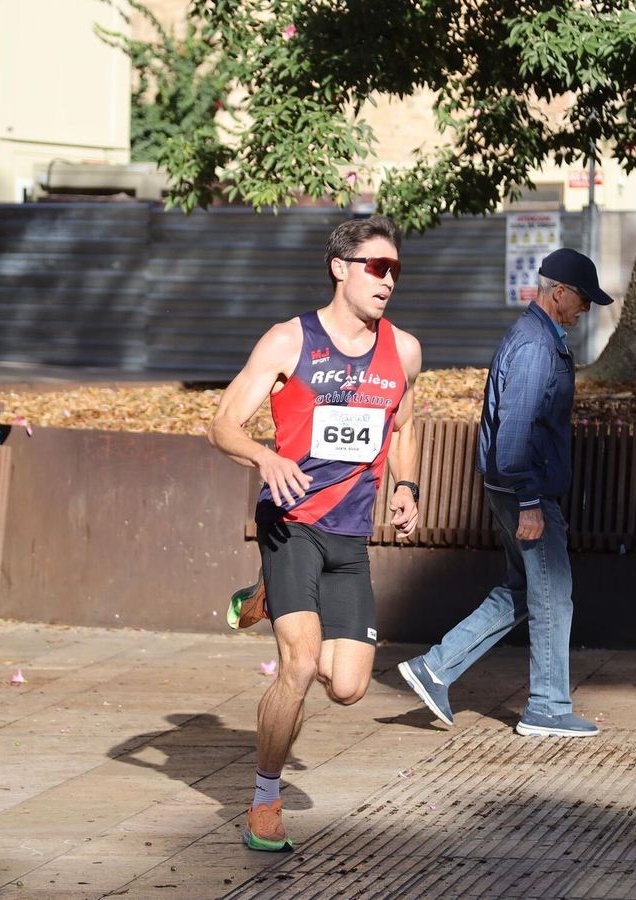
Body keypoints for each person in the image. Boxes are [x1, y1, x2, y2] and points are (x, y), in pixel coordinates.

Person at [209, 215, 422, 852]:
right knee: (299, 665)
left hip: (350, 535)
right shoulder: (288, 341)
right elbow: (221, 424)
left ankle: (267, 597)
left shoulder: (403, 352)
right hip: (291, 525)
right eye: (376, 268)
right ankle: (265, 801)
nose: (388, 281)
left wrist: (405, 489)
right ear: (341, 268)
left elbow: (404, 427)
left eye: (396, 271)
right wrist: (264, 457)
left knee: (350, 687)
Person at [397, 247, 610, 738]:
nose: (586, 310)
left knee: (520, 591)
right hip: (525, 491)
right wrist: (532, 501)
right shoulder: (537, 347)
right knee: (553, 594)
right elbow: (516, 430)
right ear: (559, 293)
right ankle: (548, 707)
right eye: (583, 300)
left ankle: (436, 667)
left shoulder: (533, 336)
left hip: (511, 488)